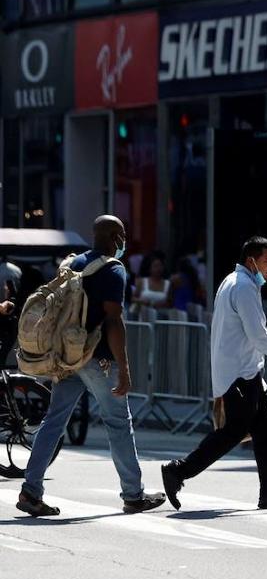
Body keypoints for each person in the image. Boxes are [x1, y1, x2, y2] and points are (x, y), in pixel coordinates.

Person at [17, 215, 166, 517]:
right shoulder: (113, 270)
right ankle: (133, 495)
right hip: (97, 359)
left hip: (68, 358)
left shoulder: (73, 263)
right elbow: (114, 320)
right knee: (118, 423)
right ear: (114, 237)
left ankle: (31, 490)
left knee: (54, 421)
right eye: (122, 235)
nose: (124, 241)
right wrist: (123, 367)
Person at [160, 237, 267, 511]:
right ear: (251, 260)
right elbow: (258, 335)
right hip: (240, 375)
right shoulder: (243, 287)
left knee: (265, 431)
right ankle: (178, 471)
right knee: (231, 433)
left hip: (248, 373)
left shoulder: (237, 282)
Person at [130, 251, 171, 317]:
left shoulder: (168, 284)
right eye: (155, 266)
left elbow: (169, 303)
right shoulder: (142, 282)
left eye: (160, 266)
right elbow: (132, 298)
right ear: (150, 268)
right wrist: (144, 302)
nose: (158, 269)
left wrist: (156, 305)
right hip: (142, 316)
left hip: (160, 317)